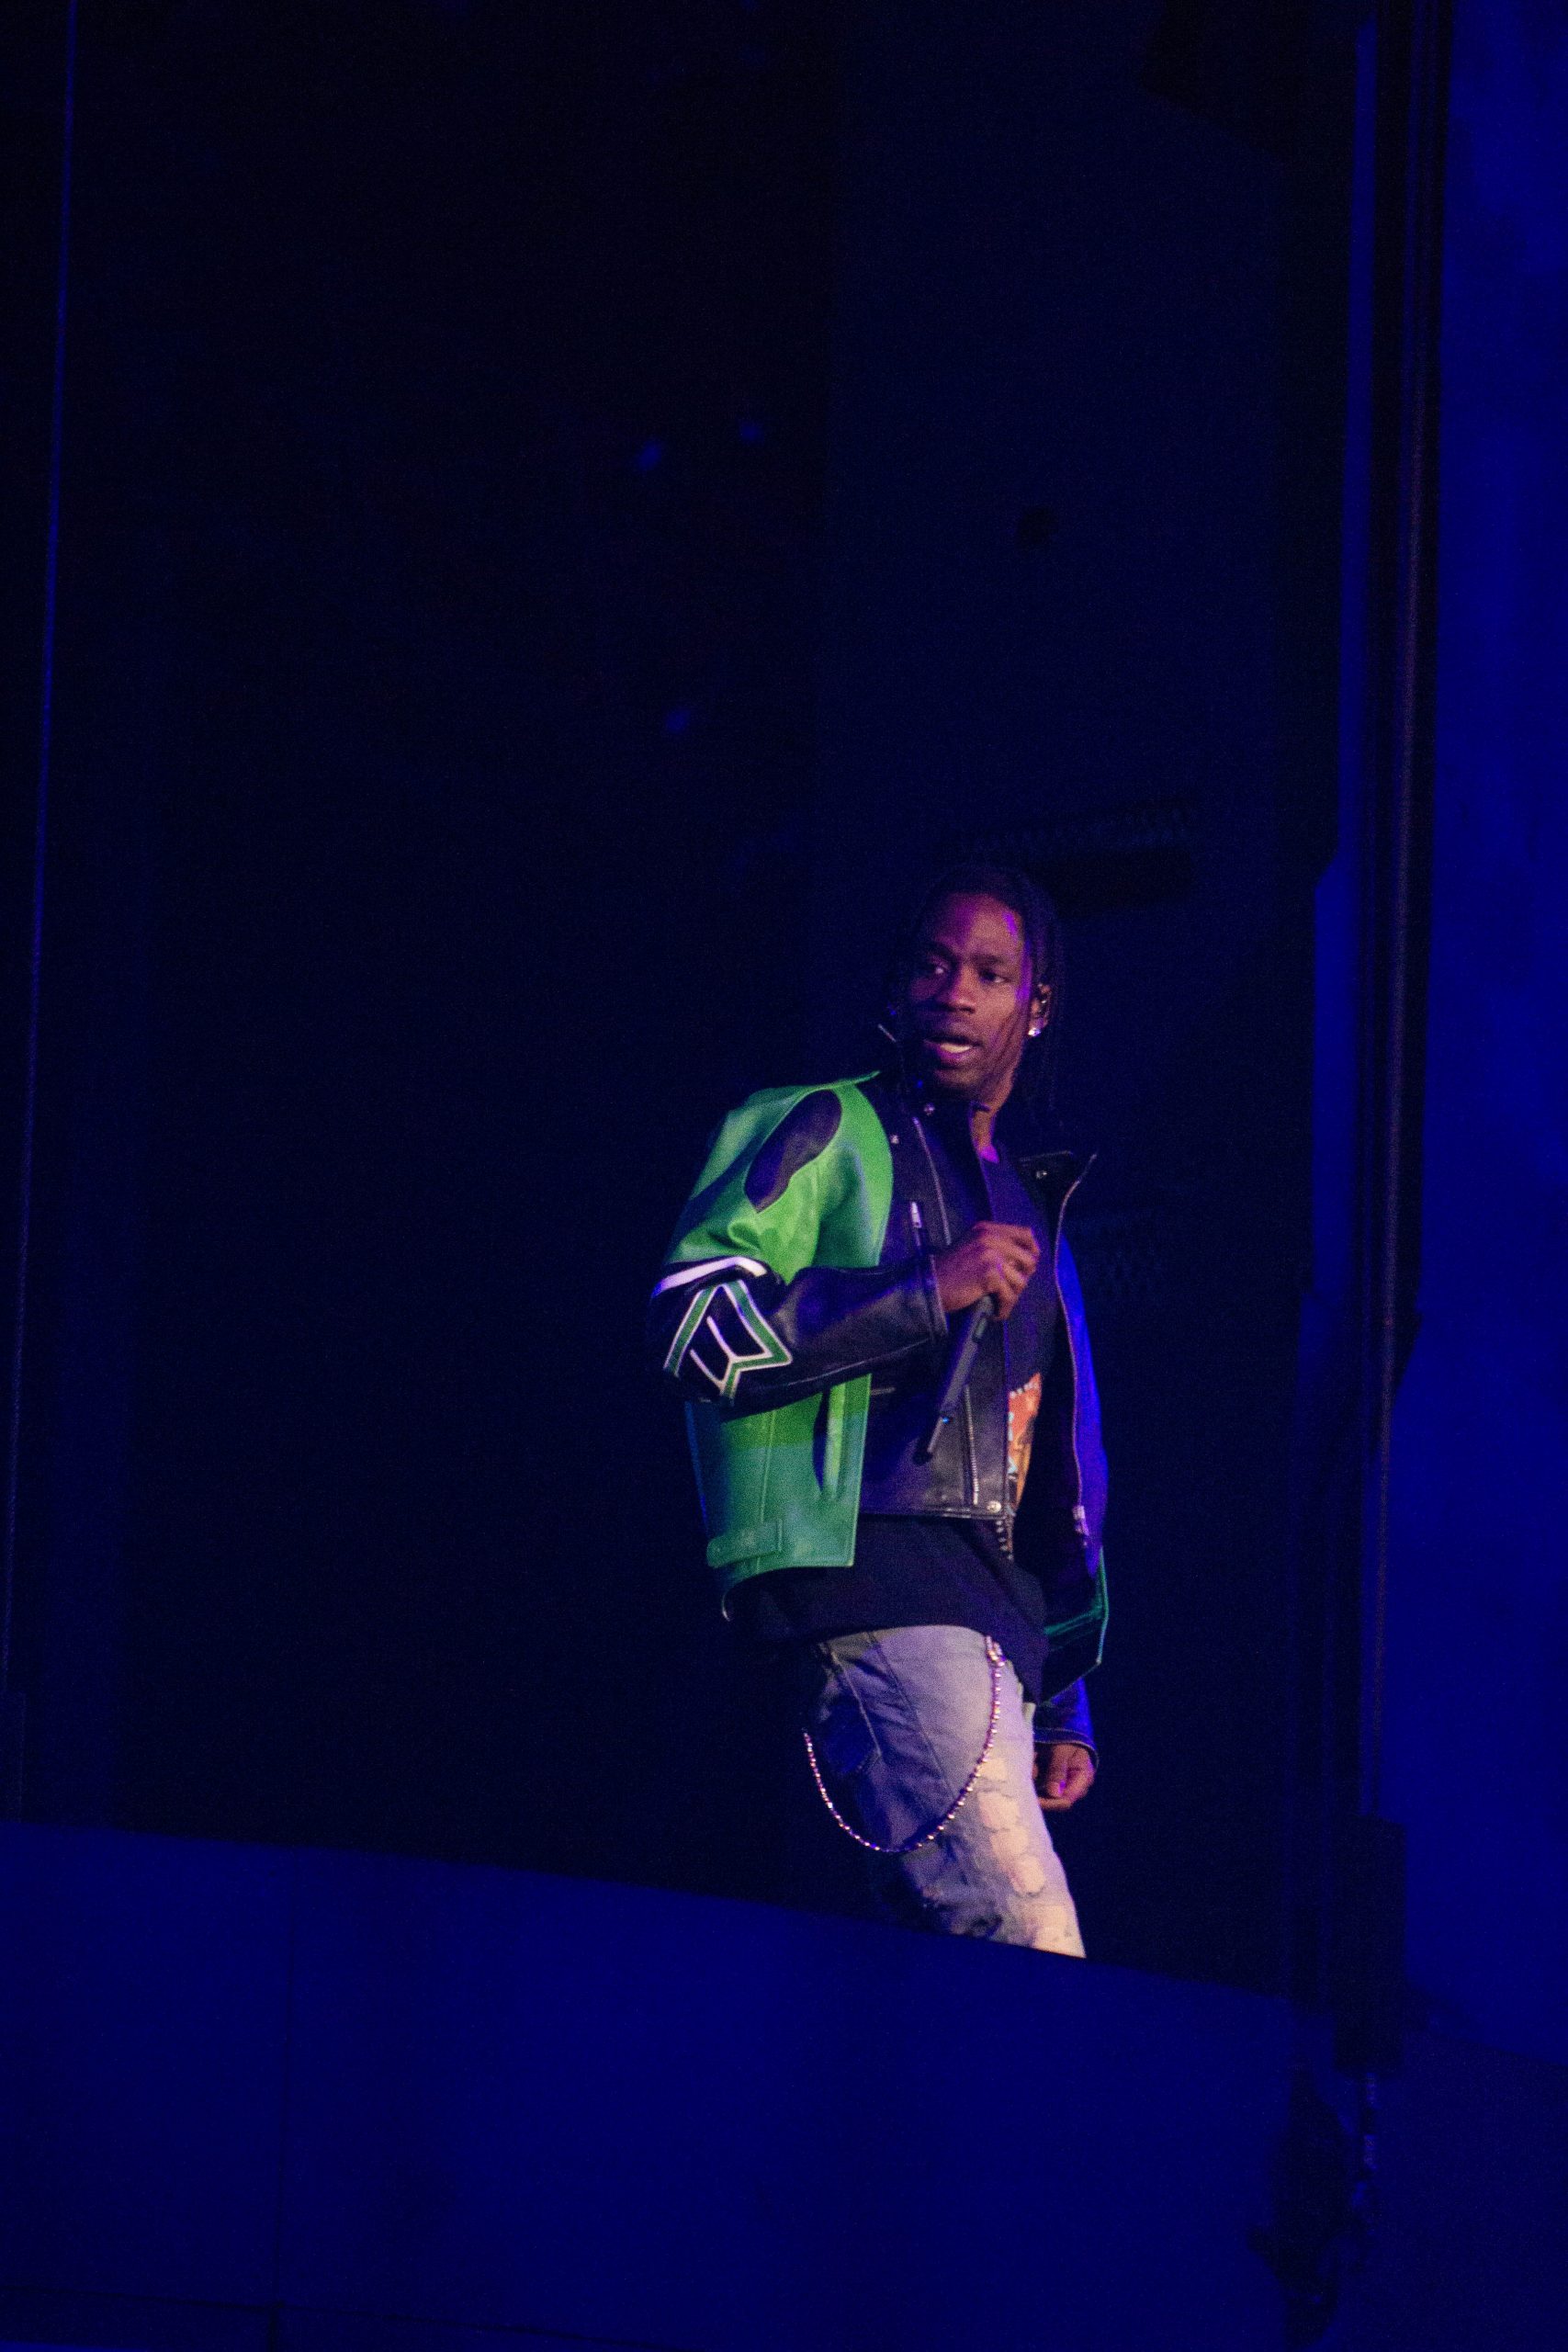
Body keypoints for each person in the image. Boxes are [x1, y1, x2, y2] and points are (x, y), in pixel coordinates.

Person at [649, 865, 1108, 1954]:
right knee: (1027, 1939)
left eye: (989, 973)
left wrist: (1063, 1698)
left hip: (996, 1620)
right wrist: (922, 1289)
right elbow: (692, 1323)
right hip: (873, 1574)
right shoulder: (819, 1125)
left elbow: (1051, 1465)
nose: (955, 992)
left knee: (949, 1968)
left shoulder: (1035, 1207)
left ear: (1036, 1006)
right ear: (897, 984)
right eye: (933, 965)